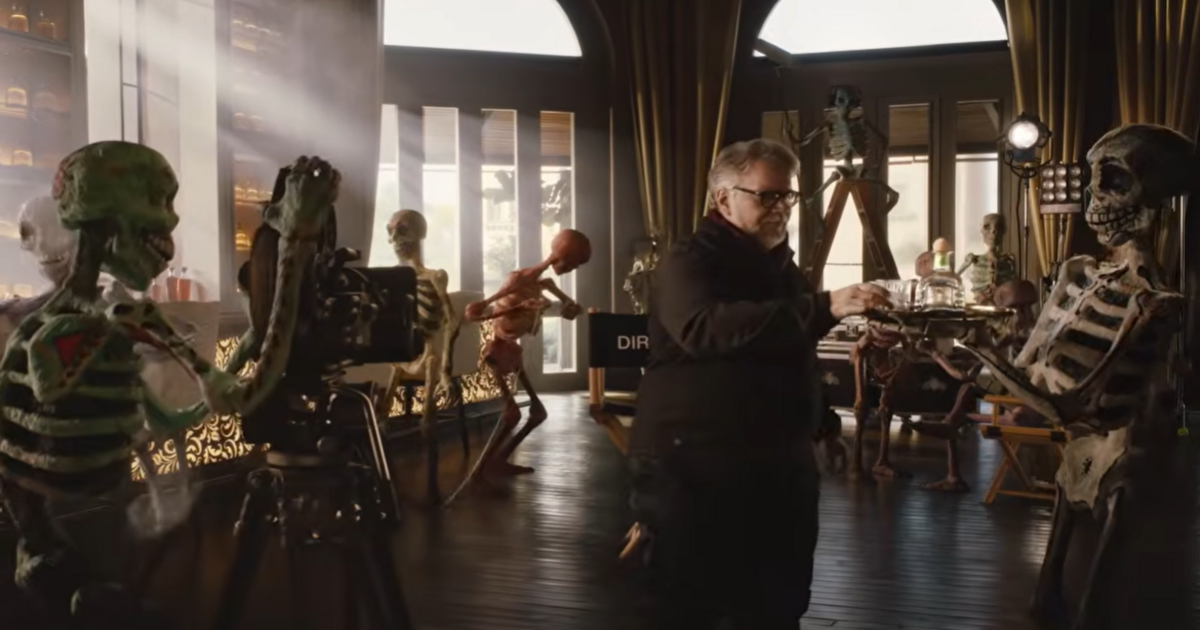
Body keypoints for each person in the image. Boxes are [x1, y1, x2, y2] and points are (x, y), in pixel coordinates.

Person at [628, 138, 891, 629]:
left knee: (778, 602)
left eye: (788, 196)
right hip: (695, 465)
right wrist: (827, 305)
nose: (781, 207)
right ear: (723, 198)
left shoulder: (781, 269)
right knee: (687, 605)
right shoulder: (689, 260)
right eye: (767, 196)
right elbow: (705, 329)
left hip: (776, 464)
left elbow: (791, 350)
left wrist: (822, 426)